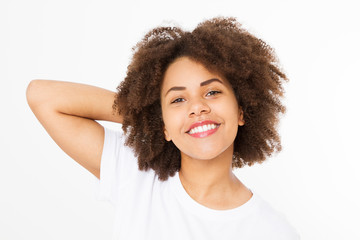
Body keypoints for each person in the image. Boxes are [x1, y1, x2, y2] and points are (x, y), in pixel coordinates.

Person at [26, 17, 299, 239]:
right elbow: (42, 96)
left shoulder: (271, 231)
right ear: (163, 125)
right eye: (178, 99)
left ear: (241, 111)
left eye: (212, 92)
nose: (197, 107)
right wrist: (147, 116)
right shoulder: (135, 176)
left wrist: (171, 114)